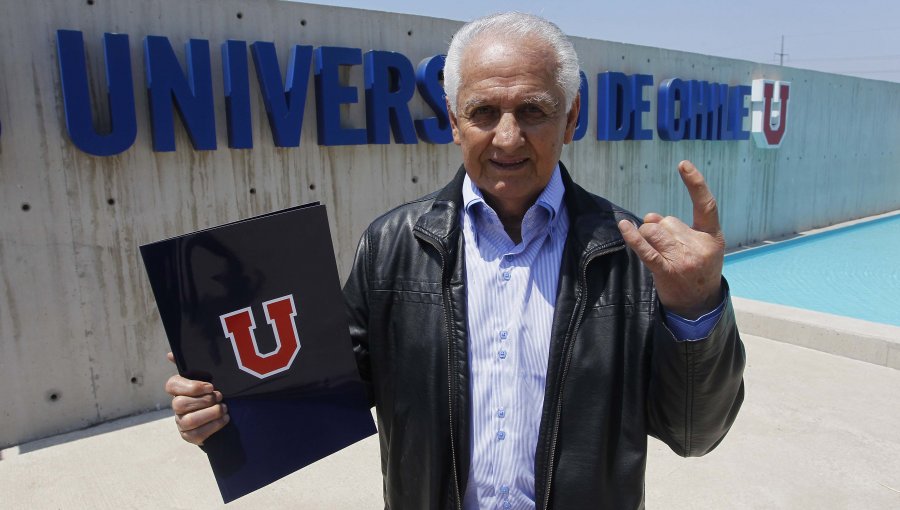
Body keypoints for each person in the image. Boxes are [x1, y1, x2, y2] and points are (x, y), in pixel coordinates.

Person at [166, 12, 745, 509]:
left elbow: (695, 433)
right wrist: (227, 404)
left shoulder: (631, 257)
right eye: (484, 111)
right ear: (453, 120)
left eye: (534, 111)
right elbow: (327, 390)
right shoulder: (392, 245)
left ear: (572, 118)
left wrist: (696, 309)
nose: (508, 137)